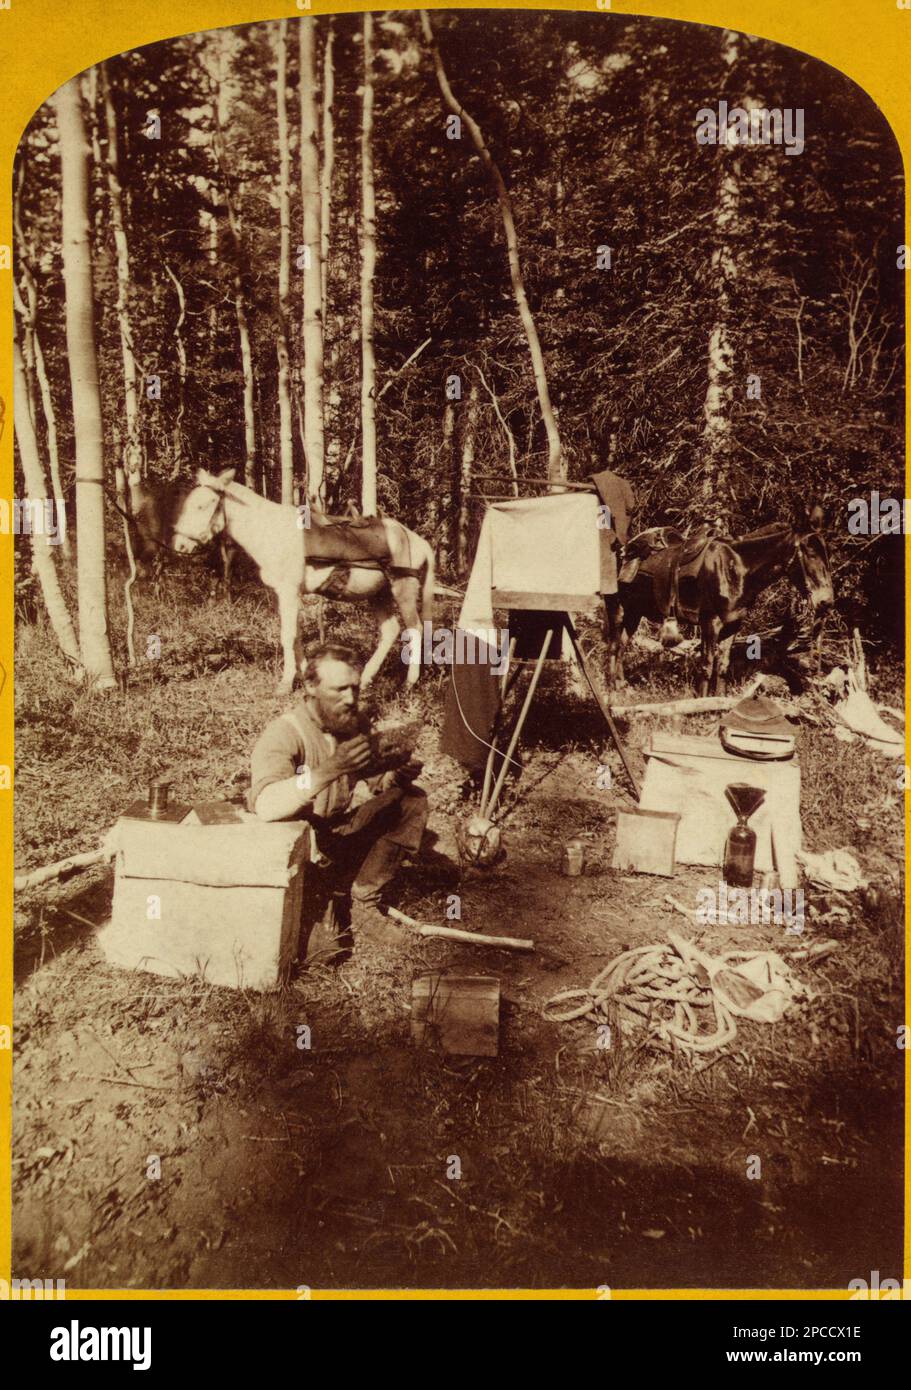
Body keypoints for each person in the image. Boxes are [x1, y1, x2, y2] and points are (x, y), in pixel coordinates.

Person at [249, 641, 428, 963]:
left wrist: (395, 776)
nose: (351, 699)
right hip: (299, 850)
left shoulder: (350, 722)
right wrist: (331, 769)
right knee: (325, 953)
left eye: (355, 689)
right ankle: (329, 898)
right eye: (340, 689)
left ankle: (362, 899)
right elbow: (266, 805)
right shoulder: (284, 733)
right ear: (310, 688)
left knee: (410, 801)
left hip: (335, 834)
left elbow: (376, 784)